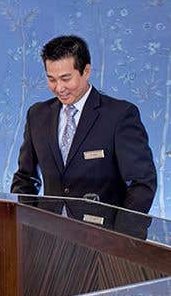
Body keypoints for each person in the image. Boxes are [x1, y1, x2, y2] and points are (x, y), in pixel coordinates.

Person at [11, 35, 157, 213]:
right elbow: (25, 178)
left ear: (86, 71)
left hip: (101, 235)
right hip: (46, 234)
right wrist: (26, 221)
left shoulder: (120, 115)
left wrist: (122, 237)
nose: (59, 88)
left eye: (66, 78)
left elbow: (141, 183)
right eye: (51, 79)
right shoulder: (37, 115)